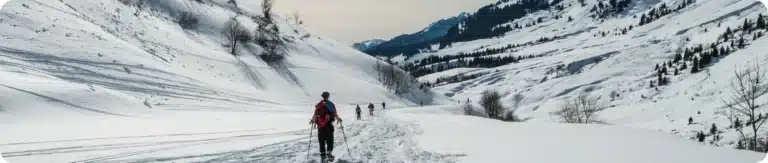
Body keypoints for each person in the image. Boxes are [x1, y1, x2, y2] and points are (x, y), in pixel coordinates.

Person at [310, 91, 342, 162]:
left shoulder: (319, 105)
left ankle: (323, 155)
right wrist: (338, 119)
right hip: (328, 125)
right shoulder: (331, 105)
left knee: (321, 140)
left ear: (322, 96)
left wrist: (313, 120)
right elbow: (335, 113)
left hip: (320, 126)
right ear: (328, 96)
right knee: (330, 139)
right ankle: (329, 154)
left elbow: (315, 114)